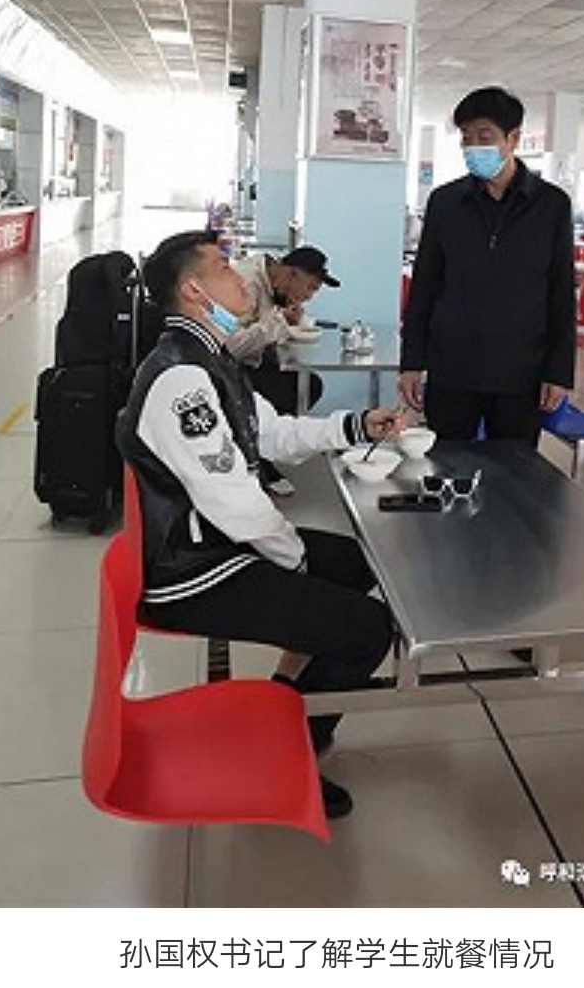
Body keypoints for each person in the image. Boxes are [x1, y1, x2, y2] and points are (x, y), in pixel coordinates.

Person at [116, 230, 402, 819]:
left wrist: (354, 427)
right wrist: (293, 557)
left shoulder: (212, 356)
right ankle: (289, 750)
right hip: (192, 572)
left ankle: (288, 699)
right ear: (194, 291)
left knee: (359, 563)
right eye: (223, 267)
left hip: (218, 544)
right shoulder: (181, 377)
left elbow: (270, 433)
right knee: (368, 629)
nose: (239, 274)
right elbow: (232, 499)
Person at [398, 86, 577, 445]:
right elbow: (425, 286)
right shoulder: (445, 203)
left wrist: (558, 372)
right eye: (466, 137)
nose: (473, 147)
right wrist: (412, 361)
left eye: (484, 136)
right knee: (447, 464)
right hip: (452, 367)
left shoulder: (551, 206)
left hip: (521, 373)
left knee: (515, 470)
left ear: (513, 139)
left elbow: (560, 293)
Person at [227, 245, 342, 496]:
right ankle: (256, 458)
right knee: (300, 388)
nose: (309, 297)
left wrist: (283, 321)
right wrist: (280, 322)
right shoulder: (248, 284)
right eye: (310, 288)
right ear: (291, 273)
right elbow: (232, 345)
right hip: (226, 371)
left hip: (249, 364)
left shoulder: (272, 284)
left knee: (306, 383)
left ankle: (260, 452)